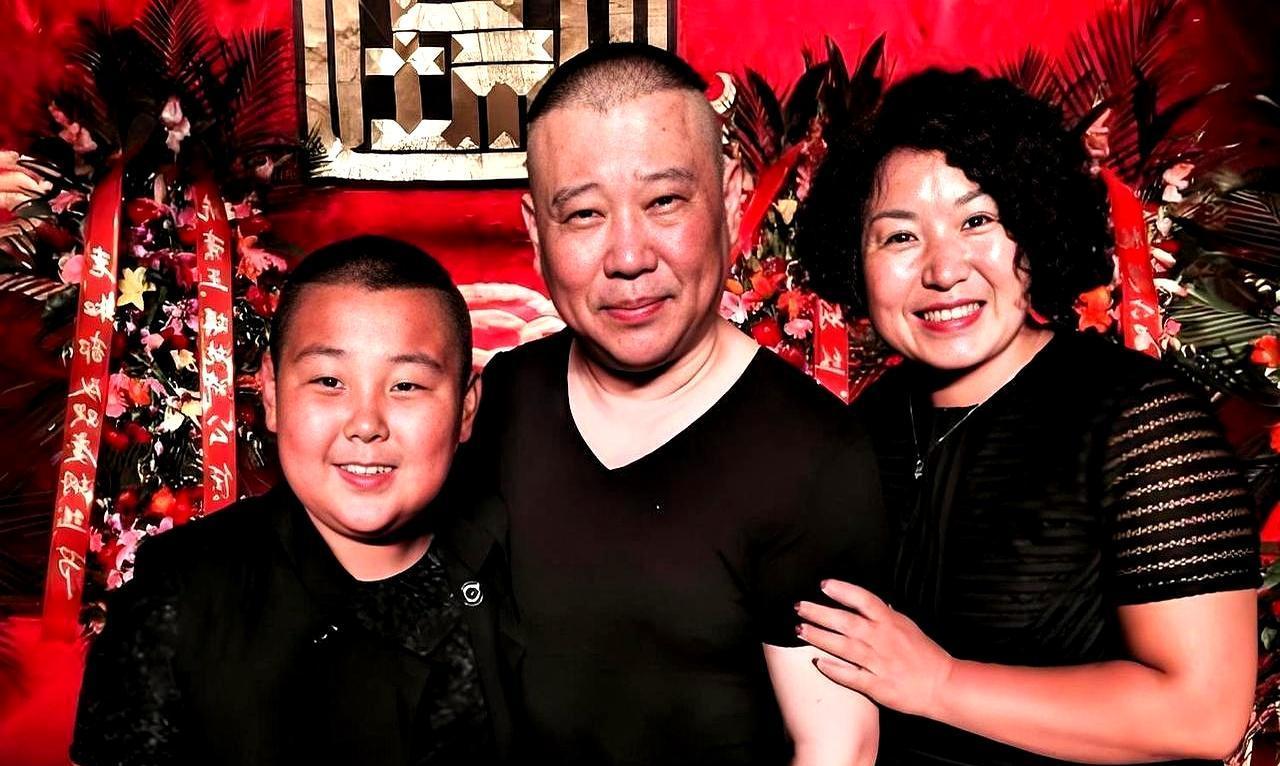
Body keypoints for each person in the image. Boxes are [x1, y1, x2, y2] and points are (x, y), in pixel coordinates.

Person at [793, 68, 1259, 765]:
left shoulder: (1143, 423)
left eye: (977, 221)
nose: (944, 270)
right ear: (854, 262)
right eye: (899, 238)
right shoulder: (858, 431)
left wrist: (941, 684)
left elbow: (1202, 715)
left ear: (1034, 232)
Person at [459, 42, 888, 765]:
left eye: (664, 202)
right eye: (584, 214)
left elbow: (836, 746)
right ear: (535, 232)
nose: (629, 256)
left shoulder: (813, 457)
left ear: (730, 199)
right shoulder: (503, 397)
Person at [72, 236, 515, 765]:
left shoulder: (517, 574)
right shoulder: (178, 594)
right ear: (272, 393)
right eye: (329, 381)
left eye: (406, 386)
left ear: (466, 408)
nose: (366, 425)